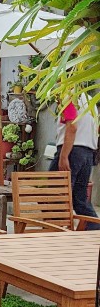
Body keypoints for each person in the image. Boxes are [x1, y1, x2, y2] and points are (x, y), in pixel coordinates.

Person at [50, 94, 100, 228]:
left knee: (53, 196)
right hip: (87, 153)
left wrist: (64, 156)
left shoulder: (68, 95)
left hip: (71, 151)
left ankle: (56, 234)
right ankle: (95, 232)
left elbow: (72, 126)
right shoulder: (89, 99)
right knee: (80, 200)